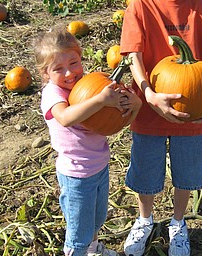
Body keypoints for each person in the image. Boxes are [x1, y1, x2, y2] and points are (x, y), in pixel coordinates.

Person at [120, 0, 202, 255]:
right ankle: (144, 219)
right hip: (149, 109)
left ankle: (178, 222)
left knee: (187, 172)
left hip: (193, 113)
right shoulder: (139, 7)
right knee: (145, 170)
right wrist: (148, 94)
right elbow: (132, 56)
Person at [34, 27, 142, 256]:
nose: (69, 73)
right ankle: (78, 251)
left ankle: (92, 249)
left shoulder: (90, 83)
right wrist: (102, 100)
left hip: (99, 166)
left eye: (73, 63)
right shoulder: (53, 94)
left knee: (96, 219)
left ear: (80, 57)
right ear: (45, 73)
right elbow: (65, 118)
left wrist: (134, 106)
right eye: (58, 69)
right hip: (76, 175)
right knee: (79, 231)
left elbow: (114, 125)